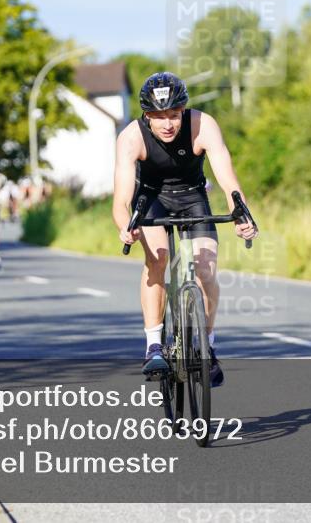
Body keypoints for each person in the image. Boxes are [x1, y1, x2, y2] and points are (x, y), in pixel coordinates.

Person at [112, 72, 257, 387]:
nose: (168, 124)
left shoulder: (203, 125)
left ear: (183, 111)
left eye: (174, 115)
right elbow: (121, 199)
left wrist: (241, 213)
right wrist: (126, 227)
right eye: (159, 117)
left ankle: (206, 345)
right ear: (146, 115)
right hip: (150, 199)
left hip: (192, 197)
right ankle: (153, 344)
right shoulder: (131, 137)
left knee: (205, 269)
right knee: (158, 257)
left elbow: (228, 179)